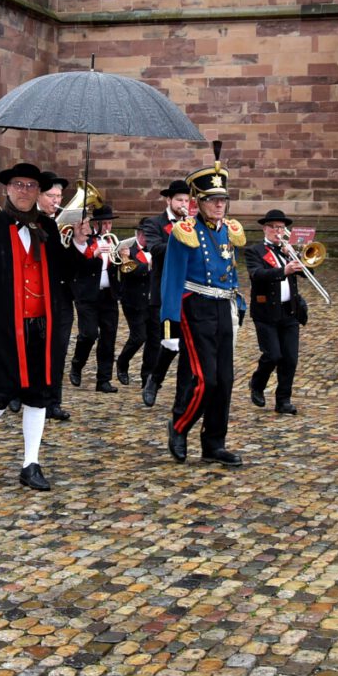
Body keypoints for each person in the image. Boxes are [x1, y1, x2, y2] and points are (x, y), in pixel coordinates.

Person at [0, 162, 89, 491]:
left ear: (38, 191)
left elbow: (67, 271)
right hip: (1, 326)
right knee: (0, 396)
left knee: (38, 396)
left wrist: (80, 241)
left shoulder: (47, 227)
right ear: (8, 188)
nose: (24, 191)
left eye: (31, 186)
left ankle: (30, 464)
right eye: (18, 184)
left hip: (41, 328)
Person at [161, 147, 246, 466]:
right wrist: (169, 324)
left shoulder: (229, 230)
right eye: (212, 200)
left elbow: (230, 270)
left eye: (222, 199)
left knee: (224, 380)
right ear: (198, 202)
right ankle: (179, 425)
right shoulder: (185, 233)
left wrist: (238, 302)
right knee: (204, 378)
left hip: (223, 310)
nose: (219, 205)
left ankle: (213, 443)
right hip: (194, 309)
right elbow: (172, 279)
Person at [245, 209, 306, 415]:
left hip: (289, 311)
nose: (278, 231)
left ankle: (283, 400)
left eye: (281, 227)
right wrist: (284, 270)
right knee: (272, 355)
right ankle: (257, 383)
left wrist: (298, 258)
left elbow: (309, 273)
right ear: (265, 228)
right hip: (265, 312)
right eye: (274, 227)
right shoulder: (255, 251)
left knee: (290, 358)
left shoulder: (288, 250)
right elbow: (257, 275)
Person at [141, 179, 191, 407]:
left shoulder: (195, 223)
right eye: (179, 200)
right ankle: (153, 380)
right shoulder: (154, 224)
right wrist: (181, 234)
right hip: (165, 291)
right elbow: (156, 249)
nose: (183, 204)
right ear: (168, 200)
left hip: (191, 293)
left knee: (189, 348)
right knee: (167, 342)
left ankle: (183, 397)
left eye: (187, 200)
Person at [69, 204, 120, 394]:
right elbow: (79, 266)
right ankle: (77, 364)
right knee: (89, 334)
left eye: (109, 223)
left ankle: (104, 379)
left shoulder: (113, 241)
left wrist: (122, 257)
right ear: (95, 224)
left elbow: (118, 268)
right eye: (104, 223)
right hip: (88, 295)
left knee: (109, 337)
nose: (107, 227)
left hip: (108, 295)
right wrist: (95, 255)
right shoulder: (83, 241)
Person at [37, 171, 73, 421]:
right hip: (36, 297)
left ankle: (53, 400)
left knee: (58, 351)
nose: (57, 200)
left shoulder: (54, 222)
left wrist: (80, 241)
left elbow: (69, 265)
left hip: (60, 299)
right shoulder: (38, 222)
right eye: (51, 195)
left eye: (60, 196)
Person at [115, 219, 152, 386]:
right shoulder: (126, 250)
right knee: (138, 337)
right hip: (133, 301)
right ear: (140, 234)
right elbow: (130, 271)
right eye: (147, 234)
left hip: (152, 301)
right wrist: (150, 265)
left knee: (154, 340)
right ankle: (122, 363)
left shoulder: (154, 249)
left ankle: (148, 377)